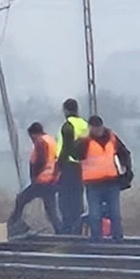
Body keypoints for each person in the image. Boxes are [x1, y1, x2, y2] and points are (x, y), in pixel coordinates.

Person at [81, 114, 133, 242]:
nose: (98, 131)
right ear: (90, 128)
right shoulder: (85, 141)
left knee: (115, 214)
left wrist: (127, 168)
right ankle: (97, 241)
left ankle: (118, 240)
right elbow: (76, 154)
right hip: (93, 183)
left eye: (99, 128)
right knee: (94, 215)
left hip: (111, 182)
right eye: (95, 128)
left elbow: (124, 153)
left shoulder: (112, 137)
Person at [8, 122, 62, 236]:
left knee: (21, 199)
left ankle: (15, 225)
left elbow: (40, 161)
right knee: (51, 209)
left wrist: (34, 175)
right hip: (51, 181)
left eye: (31, 137)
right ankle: (60, 231)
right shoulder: (51, 140)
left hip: (41, 181)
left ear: (34, 134)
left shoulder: (40, 142)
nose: (31, 140)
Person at [55, 98, 90, 235]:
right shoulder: (85, 125)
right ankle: (77, 229)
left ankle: (67, 229)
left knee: (65, 200)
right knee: (77, 199)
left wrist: (59, 166)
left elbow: (66, 148)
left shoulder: (67, 126)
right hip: (82, 167)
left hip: (68, 166)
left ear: (65, 110)